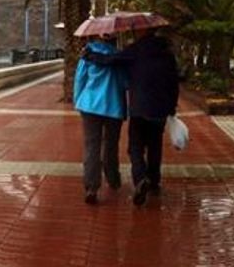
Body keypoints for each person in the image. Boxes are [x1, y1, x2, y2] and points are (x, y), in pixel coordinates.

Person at [83, 27, 179, 206]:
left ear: (143, 32)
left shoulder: (136, 50)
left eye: (136, 30)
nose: (134, 32)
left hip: (140, 107)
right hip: (160, 108)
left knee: (135, 147)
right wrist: (172, 106)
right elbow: (174, 81)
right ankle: (154, 180)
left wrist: (91, 56)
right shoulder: (167, 52)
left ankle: (140, 179)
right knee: (155, 145)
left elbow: (111, 60)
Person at [73, 34, 128, 205]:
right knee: (110, 144)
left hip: (89, 106)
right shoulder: (119, 58)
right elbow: (126, 83)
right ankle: (113, 178)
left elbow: (79, 80)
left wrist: (78, 101)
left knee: (91, 146)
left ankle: (91, 187)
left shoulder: (87, 55)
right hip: (114, 106)